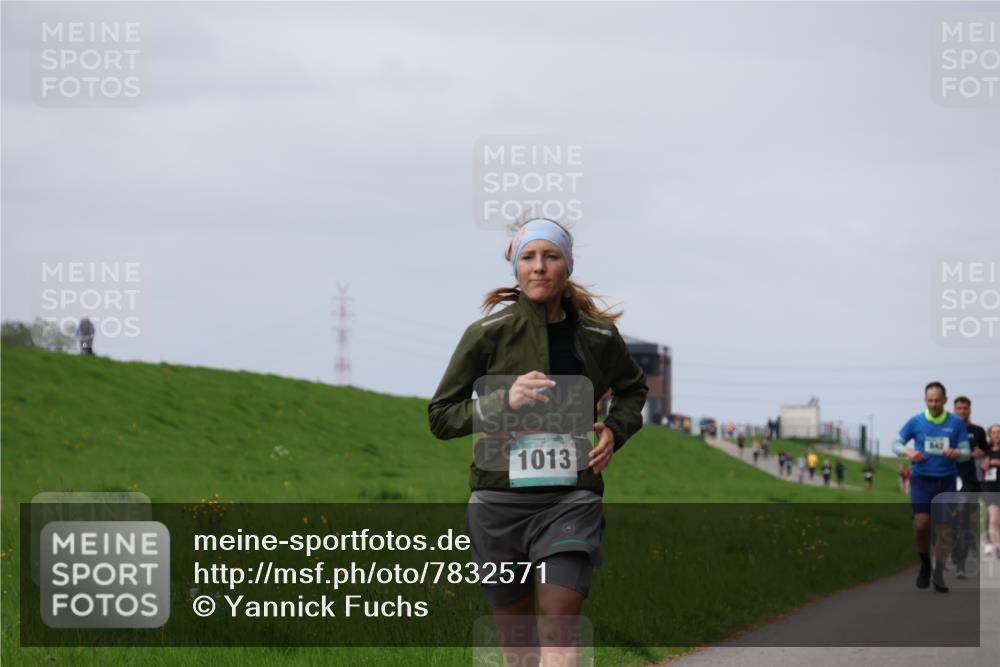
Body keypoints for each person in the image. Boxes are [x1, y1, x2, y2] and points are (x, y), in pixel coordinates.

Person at [428, 218, 648, 664]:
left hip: (570, 500)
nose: (539, 267)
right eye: (528, 257)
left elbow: (633, 389)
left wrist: (614, 429)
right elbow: (441, 417)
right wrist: (501, 402)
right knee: (518, 649)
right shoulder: (487, 334)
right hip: (498, 504)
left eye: (550, 256)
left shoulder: (599, 337)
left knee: (560, 627)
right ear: (516, 267)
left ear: (567, 265)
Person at [892, 382, 971, 593]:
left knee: (944, 529)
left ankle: (939, 571)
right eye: (930, 400)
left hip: (946, 481)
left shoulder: (956, 423)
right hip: (921, 480)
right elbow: (896, 444)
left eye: (937, 400)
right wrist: (907, 452)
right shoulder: (916, 421)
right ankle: (925, 563)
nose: (934, 404)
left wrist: (957, 454)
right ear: (925, 400)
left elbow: (966, 451)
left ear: (945, 400)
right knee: (922, 525)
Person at [950, 396, 988, 578]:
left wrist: (982, 455)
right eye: (959, 408)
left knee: (965, 523)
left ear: (969, 410)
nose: (962, 411)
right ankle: (957, 550)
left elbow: (986, 452)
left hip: (971, 482)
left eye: (965, 408)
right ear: (954, 409)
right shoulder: (948, 430)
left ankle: (961, 565)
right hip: (950, 480)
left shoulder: (978, 431)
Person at [981, 424, 1000, 559]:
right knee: (993, 519)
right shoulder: (986, 450)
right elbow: (981, 467)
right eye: (994, 432)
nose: (996, 435)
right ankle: (997, 548)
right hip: (989, 488)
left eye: (999, 432)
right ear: (990, 435)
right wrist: (986, 464)